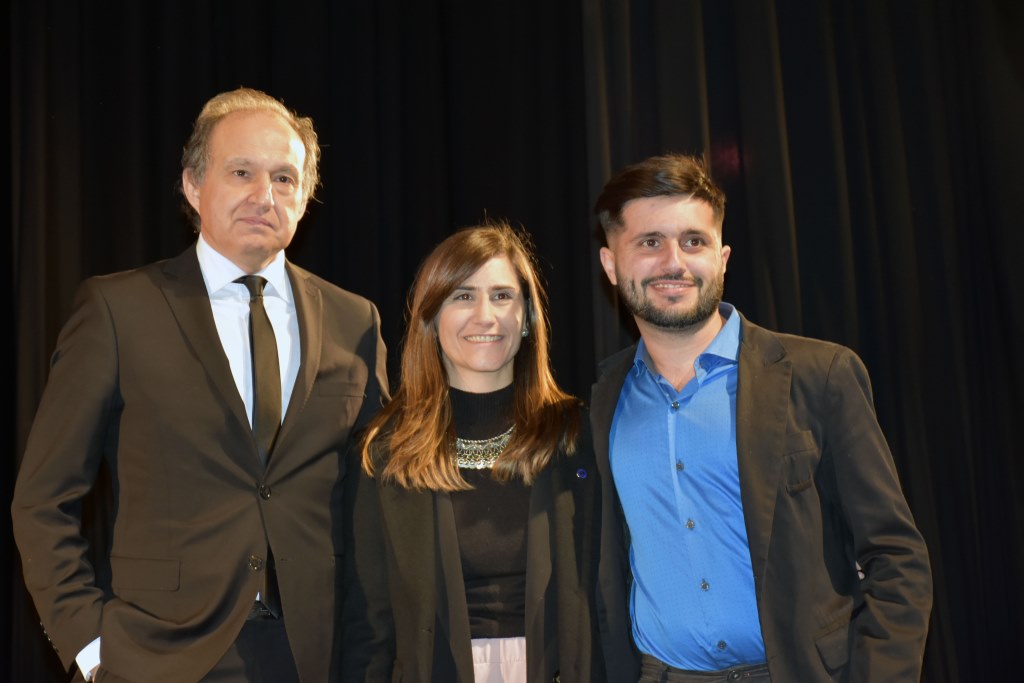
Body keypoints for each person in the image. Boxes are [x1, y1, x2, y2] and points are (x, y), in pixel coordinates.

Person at [11, 87, 389, 682]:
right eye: (242, 172)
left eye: (285, 179)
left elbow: (379, 503)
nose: (265, 196)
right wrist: (90, 647)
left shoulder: (355, 320)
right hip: (159, 656)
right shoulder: (118, 310)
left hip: (318, 654)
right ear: (193, 185)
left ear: (306, 196)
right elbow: (42, 500)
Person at [590, 154, 932, 682]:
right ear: (612, 264)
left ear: (723, 258)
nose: (674, 261)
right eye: (649, 242)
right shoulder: (600, 403)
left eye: (694, 241)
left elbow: (896, 558)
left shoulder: (821, 376)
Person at [342, 222, 603, 682]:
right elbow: (369, 623)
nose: (486, 315)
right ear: (431, 317)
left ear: (528, 320)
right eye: (463, 296)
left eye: (503, 296)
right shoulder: (384, 452)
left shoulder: (577, 436)